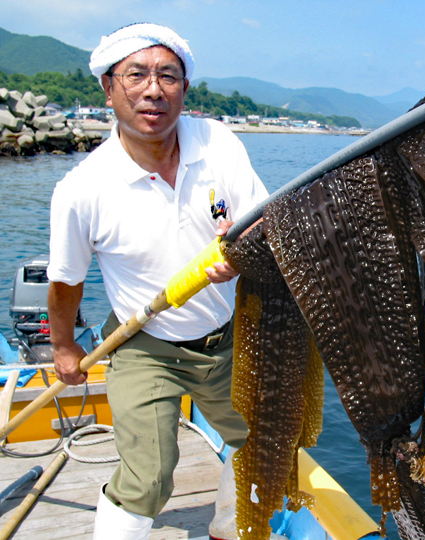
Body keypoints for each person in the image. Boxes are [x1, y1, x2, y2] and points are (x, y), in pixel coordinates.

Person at [47, 23, 268, 540]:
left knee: (261, 442)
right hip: (143, 344)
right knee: (149, 477)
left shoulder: (219, 142)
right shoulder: (83, 189)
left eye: (168, 76)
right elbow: (66, 282)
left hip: (227, 337)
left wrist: (243, 252)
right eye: (136, 75)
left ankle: (228, 530)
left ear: (185, 90)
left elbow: (259, 221)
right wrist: (62, 347)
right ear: (108, 87)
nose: (153, 89)